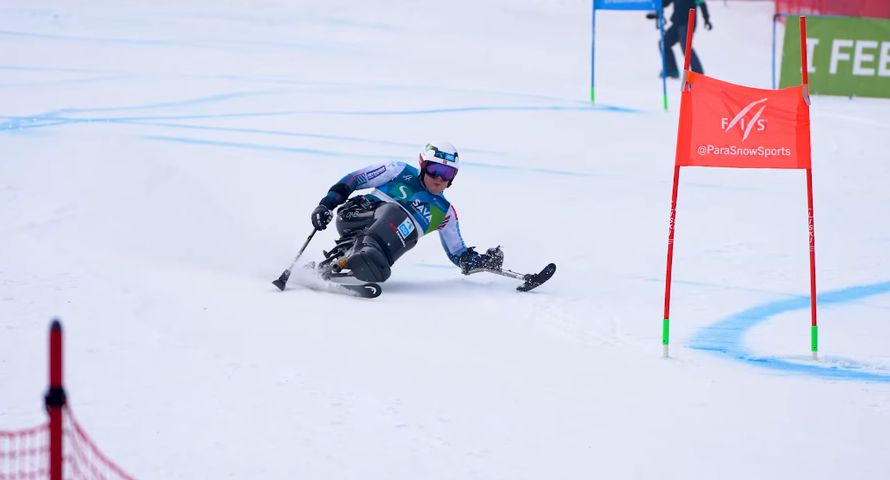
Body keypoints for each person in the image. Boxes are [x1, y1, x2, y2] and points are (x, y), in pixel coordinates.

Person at [308, 141, 504, 283]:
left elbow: (458, 254)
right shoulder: (399, 171)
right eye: (434, 170)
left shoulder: (445, 213)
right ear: (423, 166)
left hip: (385, 246)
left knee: (408, 232)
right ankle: (364, 257)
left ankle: (343, 263)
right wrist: (326, 205)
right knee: (398, 214)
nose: (439, 178)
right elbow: (354, 180)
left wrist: (483, 261)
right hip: (356, 216)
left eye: (447, 174)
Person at [656, 0, 712, 78]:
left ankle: (698, 73)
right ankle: (671, 70)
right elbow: (665, 2)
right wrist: (658, 5)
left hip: (688, 22)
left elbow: (701, 3)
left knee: (686, 47)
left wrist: (706, 19)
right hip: (677, 22)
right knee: (663, 43)